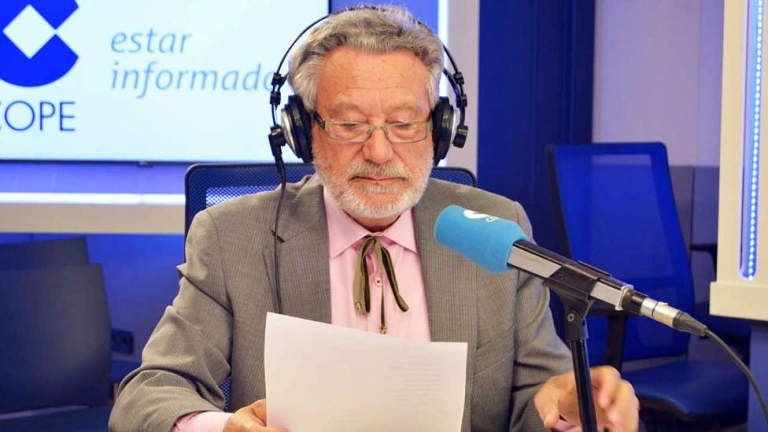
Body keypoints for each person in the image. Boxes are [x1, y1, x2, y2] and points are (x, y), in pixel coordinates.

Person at [110, 6, 639, 432]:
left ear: (439, 128)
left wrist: (572, 412)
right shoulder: (232, 238)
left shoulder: (498, 230)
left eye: (404, 123)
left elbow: (539, 402)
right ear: (304, 131)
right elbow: (148, 394)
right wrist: (223, 427)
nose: (380, 152)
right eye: (349, 125)